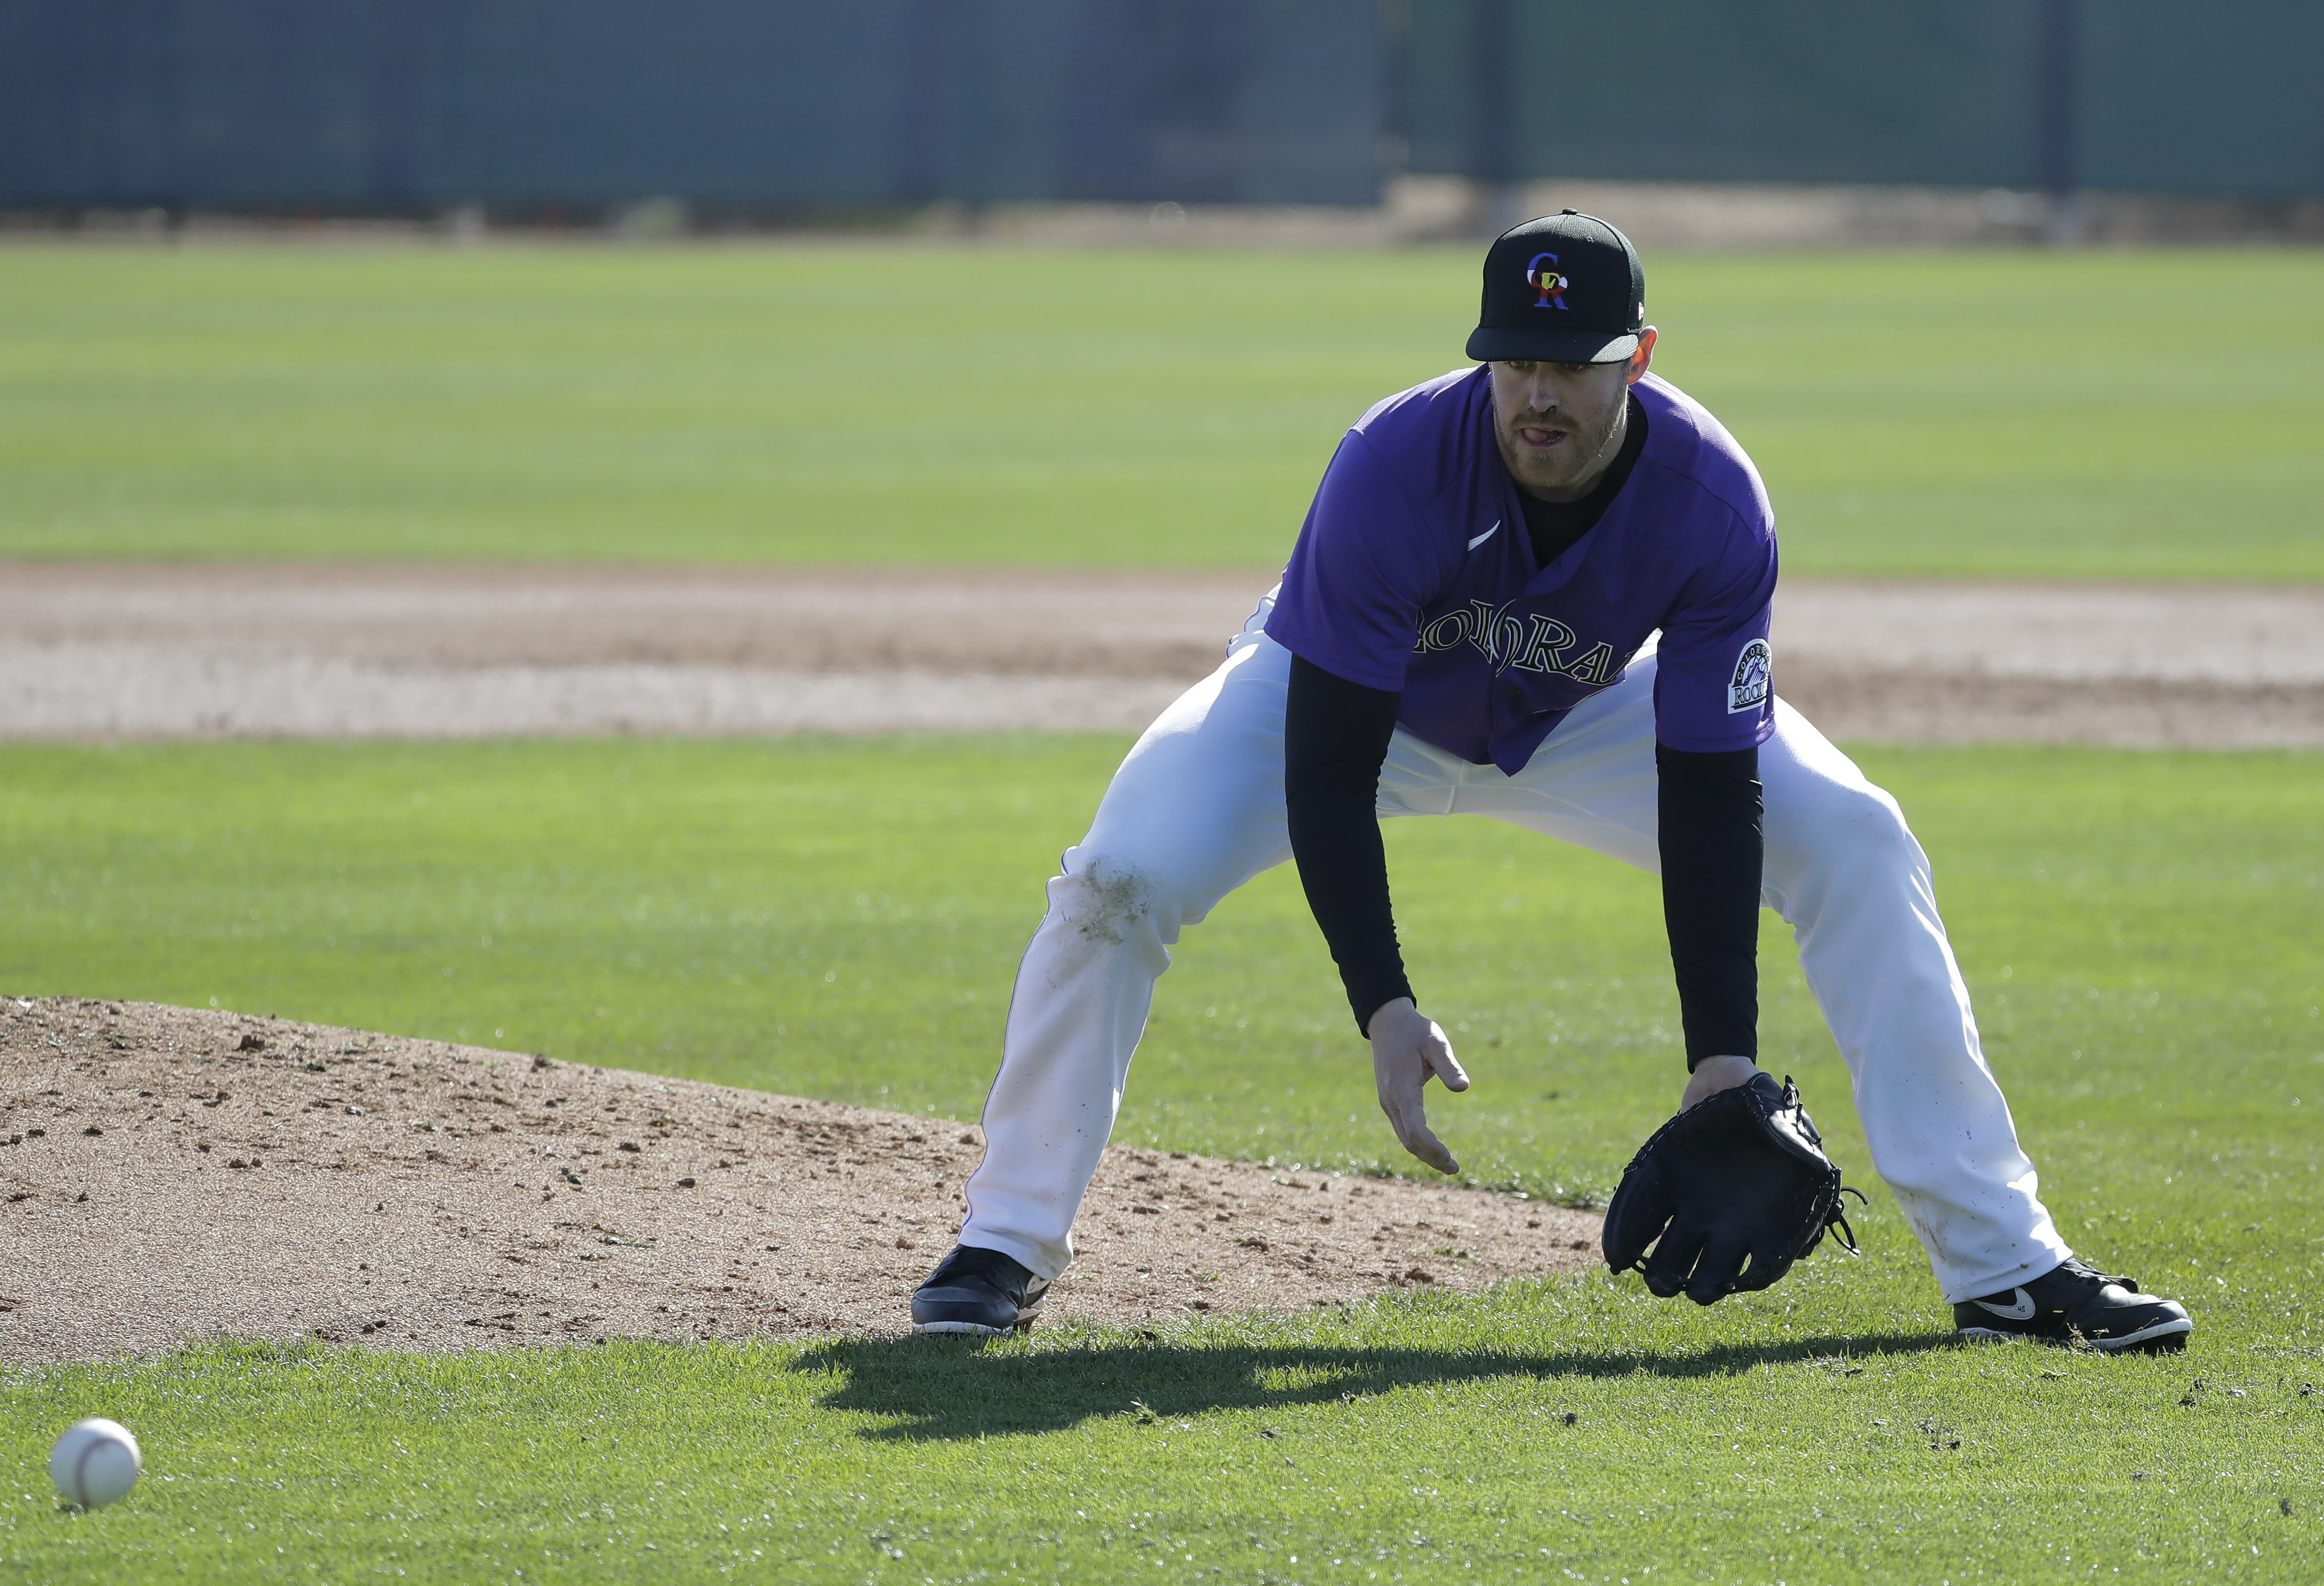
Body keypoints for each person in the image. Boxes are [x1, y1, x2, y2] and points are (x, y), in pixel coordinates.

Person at [911, 211, 2191, 1354]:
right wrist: (1384, 1004)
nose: (1537, 393)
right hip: (1355, 703)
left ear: (1635, 359)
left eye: (1570, 366)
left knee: (1856, 837)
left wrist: (1721, 1067)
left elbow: (1708, 786)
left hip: (1589, 707)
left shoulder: (1712, 503)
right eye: (1514, 359)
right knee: (1118, 881)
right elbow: (1329, 771)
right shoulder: (1391, 465)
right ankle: (1006, 1242)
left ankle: (2006, 1268)